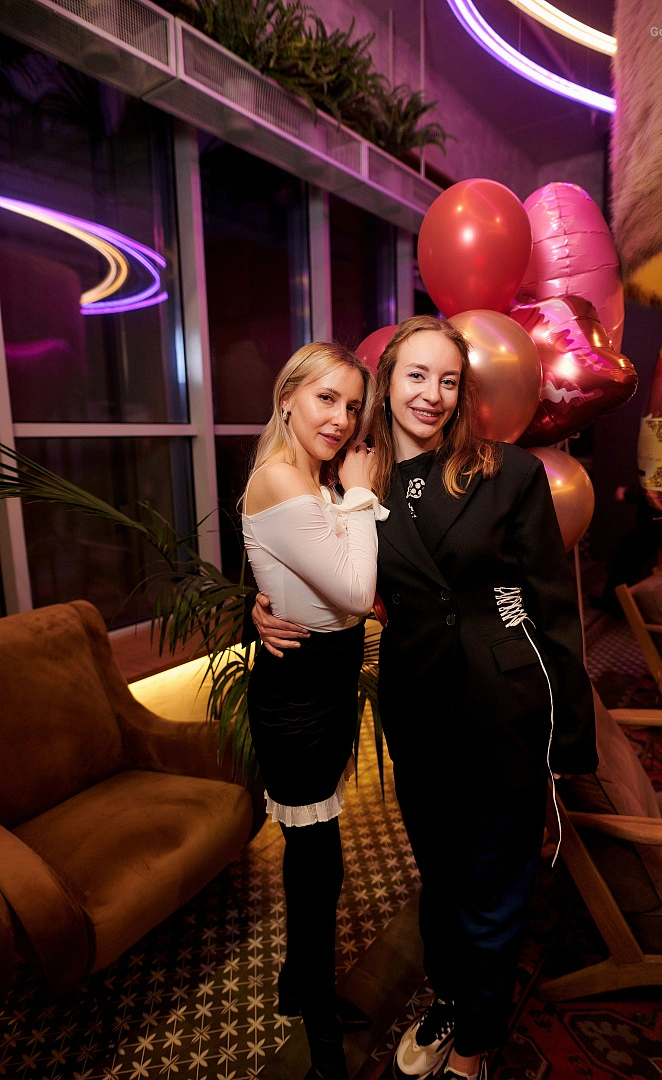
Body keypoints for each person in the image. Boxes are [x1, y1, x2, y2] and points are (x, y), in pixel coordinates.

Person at [251, 316, 598, 1080]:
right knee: (439, 880)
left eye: (448, 380)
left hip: (502, 708)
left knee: (494, 886)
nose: (432, 394)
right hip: (417, 706)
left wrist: (570, 732)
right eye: (416, 376)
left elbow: (554, 608)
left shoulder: (507, 472)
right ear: (387, 384)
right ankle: (449, 996)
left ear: (463, 392)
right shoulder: (357, 480)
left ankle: (473, 1045)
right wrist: (262, 606)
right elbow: (300, 552)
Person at [241, 341, 387, 1080]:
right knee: (318, 863)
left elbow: (294, 574)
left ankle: (297, 983)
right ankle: (320, 1028)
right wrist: (360, 493)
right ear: (288, 398)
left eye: (353, 405)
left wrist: (257, 607)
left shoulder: (313, 479)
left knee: (317, 857)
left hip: (326, 689)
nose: (341, 418)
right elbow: (357, 593)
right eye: (326, 398)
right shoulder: (279, 476)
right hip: (296, 698)